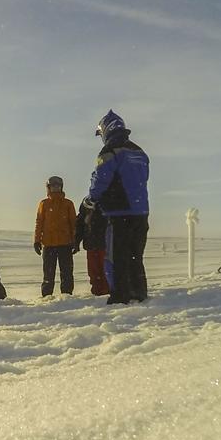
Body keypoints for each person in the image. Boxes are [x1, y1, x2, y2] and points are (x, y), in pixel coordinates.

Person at [87, 110, 150, 304]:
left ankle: (120, 295)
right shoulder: (139, 151)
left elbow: (100, 179)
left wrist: (92, 198)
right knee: (135, 255)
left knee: (116, 256)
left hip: (118, 211)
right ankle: (138, 291)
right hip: (141, 212)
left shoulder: (109, 151)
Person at [34, 176, 77, 296]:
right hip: (48, 244)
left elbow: (73, 223)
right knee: (48, 273)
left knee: (67, 272)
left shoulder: (68, 204)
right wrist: (37, 241)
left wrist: (75, 241)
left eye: (58, 186)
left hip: (65, 244)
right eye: (53, 186)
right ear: (48, 188)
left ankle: (67, 295)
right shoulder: (44, 204)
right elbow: (39, 222)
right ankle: (47, 296)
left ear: (61, 187)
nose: (56, 188)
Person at [74, 194, 110, 296]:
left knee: (105, 268)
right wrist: (76, 240)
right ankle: (97, 291)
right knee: (94, 270)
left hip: (105, 242)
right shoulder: (87, 201)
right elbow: (80, 222)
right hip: (91, 242)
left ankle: (106, 290)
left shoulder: (109, 198)